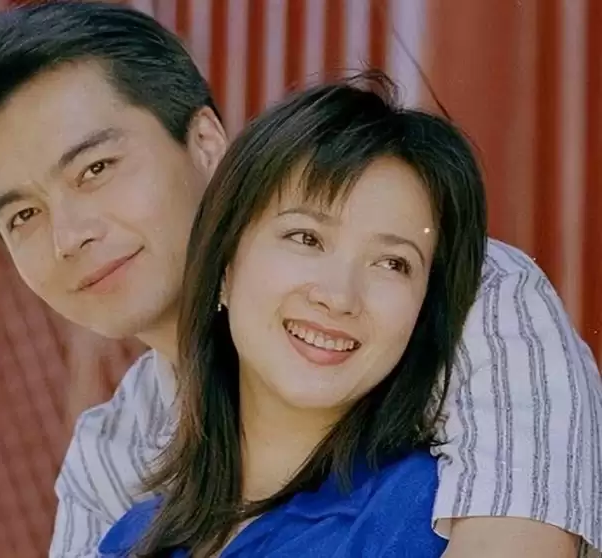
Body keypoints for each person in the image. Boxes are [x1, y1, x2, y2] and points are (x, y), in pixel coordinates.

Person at [0, 2, 598, 557]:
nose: (69, 235)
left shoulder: (472, 299)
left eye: (96, 169)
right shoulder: (109, 457)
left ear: (205, 142)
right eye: (23, 215)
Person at [98, 69, 488, 558]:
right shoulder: (132, 538)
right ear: (225, 265)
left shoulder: (419, 514)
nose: (339, 296)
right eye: (307, 238)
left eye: (393, 263)